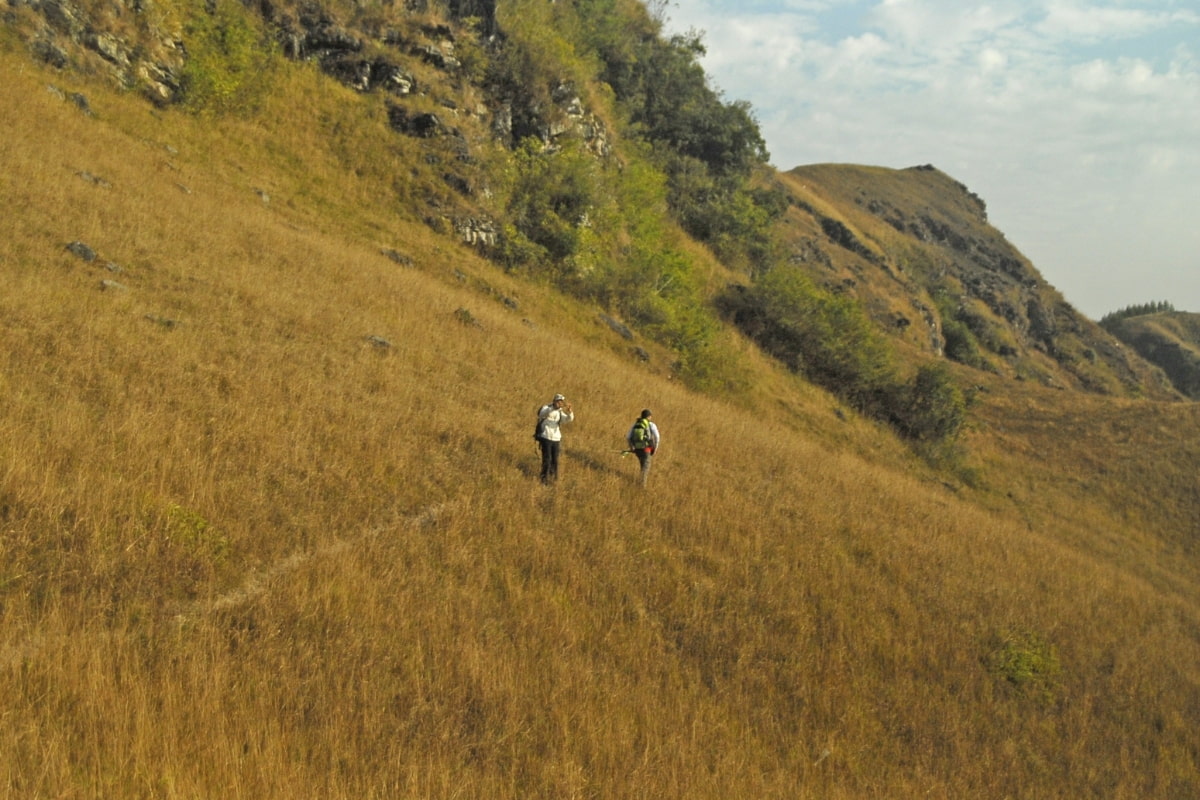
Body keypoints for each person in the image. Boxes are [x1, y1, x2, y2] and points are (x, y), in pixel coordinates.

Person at [535, 393, 574, 484]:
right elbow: (542, 414)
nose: (560, 403)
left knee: (555, 460)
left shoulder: (560, 412)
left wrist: (570, 412)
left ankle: (553, 478)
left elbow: (568, 420)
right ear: (554, 401)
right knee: (547, 459)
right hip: (546, 437)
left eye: (561, 401)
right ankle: (544, 479)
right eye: (558, 401)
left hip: (556, 438)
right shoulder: (547, 408)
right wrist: (553, 407)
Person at [625, 408, 660, 487]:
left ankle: (640, 482)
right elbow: (657, 437)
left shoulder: (636, 424)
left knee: (642, 465)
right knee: (645, 468)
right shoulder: (651, 425)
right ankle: (641, 486)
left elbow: (628, 437)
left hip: (637, 449)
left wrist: (632, 447)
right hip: (647, 449)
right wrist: (655, 449)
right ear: (649, 417)